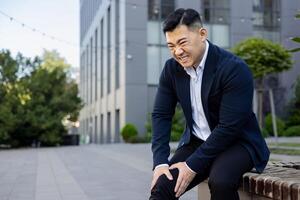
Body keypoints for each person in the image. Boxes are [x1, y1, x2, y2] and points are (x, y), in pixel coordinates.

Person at [149, 8, 270, 200]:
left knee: (221, 181)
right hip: (197, 142)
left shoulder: (234, 68)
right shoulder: (171, 69)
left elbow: (230, 127)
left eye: (182, 43)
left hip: (237, 142)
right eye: (171, 46)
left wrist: (191, 166)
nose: (177, 52)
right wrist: (160, 163)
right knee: (162, 185)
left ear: (202, 34)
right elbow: (161, 115)